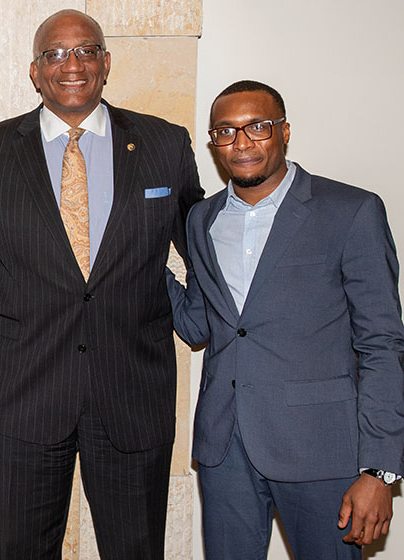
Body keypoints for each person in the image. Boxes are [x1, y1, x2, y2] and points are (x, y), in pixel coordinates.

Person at [0, 9, 204, 559]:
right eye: (55, 54)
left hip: (134, 395)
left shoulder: (165, 144)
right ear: (34, 71)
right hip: (25, 397)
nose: (72, 64)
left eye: (85, 50)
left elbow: (203, 252)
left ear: (106, 63)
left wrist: (201, 320)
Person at [166, 80, 404, 559]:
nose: (243, 142)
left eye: (257, 127)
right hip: (224, 449)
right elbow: (198, 326)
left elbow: (382, 344)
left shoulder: (351, 210)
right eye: (227, 132)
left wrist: (379, 469)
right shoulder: (202, 220)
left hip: (323, 451)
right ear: (214, 143)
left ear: (284, 131)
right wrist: (142, 258)